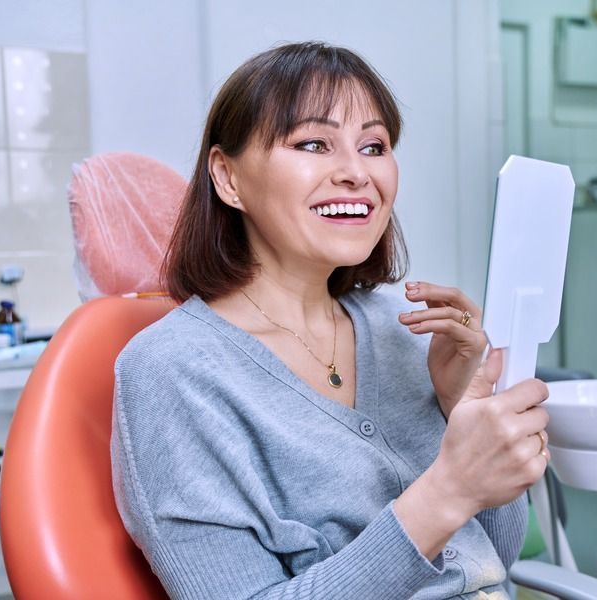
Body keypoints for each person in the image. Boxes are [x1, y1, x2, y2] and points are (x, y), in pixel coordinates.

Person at [112, 41, 550, 599]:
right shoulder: (171, 371)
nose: (355, 173)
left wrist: (462, 406)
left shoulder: (407, 326)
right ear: (228, 177)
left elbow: (488, 560)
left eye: (374, 146)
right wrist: (449, 489)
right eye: (314, 143)